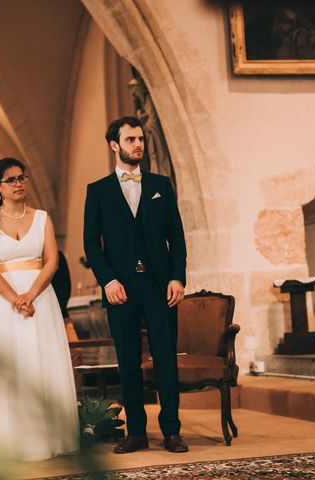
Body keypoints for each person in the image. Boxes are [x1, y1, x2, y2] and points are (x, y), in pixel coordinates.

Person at [83, 116, 188, 454]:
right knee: (128, 361)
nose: (138, 145)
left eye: (140, 138)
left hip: (160, 286)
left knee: (165, 359)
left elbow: (177, 237)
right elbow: (90, 244)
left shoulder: (161, 185)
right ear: (115, 145)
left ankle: (171, 431)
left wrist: (177, 276)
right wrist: (108, 280)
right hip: (121, 289)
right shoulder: (97, 191)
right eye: (130, 140)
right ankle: (137, 433)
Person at [0, 157, 79, 462]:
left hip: (41, 299)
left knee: (41, 363)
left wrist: (31, 294)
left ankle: (51, 437)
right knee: (14, 366)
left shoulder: (43, 218)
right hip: (3, 303)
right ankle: (9, 441)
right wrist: (15, 298)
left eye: (22, 178)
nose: (19, 184)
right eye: (11, 180)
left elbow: (52, 261)